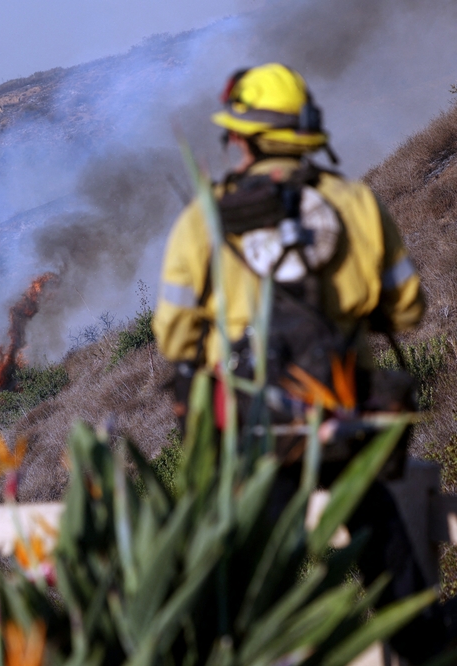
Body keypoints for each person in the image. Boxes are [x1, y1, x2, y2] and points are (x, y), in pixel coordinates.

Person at [151, 63, 450, 662]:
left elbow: (174, 336)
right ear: (307, 130)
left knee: (253, 596)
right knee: (400, 580)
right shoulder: (355, 204)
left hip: (253, 439)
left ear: (239, 136)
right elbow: (408, 309)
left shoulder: (203, 221)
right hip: (351, 427)